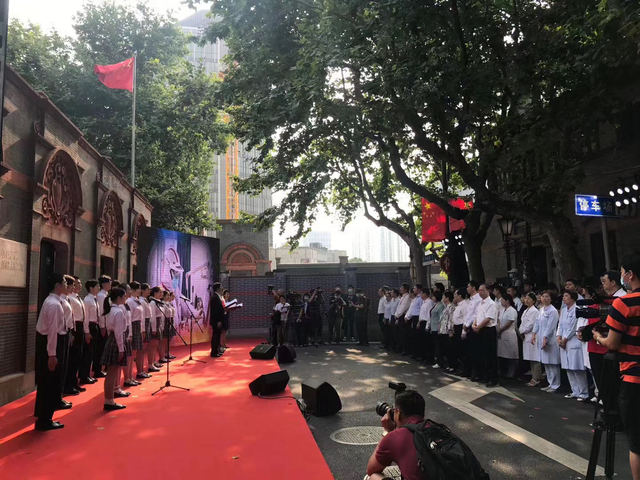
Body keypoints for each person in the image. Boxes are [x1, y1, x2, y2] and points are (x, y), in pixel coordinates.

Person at [593, 252, 640, 480]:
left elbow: (612, 343)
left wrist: (598, 338)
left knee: (637, 443)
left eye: (621, 273)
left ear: (630, 275)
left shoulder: (624, 303)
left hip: (634, 380)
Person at [366, 390, 424, 480]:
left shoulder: (395, 436)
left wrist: (387, 432)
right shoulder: (437, 429)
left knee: (373, 477)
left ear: (398, 412)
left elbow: (371, 469)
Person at [34, 273, 67, 430]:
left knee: (46, 381)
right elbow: (53, 331)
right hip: (51, 344)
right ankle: (45, 419)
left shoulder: (52, 301)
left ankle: (43, 416)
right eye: (64, 282)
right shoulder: (54, 304)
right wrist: (52, 354)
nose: (66, 285)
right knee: (50, 382)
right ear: (57, 285)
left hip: (47, 343)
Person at [557, 290, 589, 401]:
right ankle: (575, 391)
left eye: (566, 296)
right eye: (563, 296)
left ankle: (583, 393)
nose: (564, 298)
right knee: (568, 368)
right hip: (563, 342)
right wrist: (558, 337)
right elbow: (560, 325)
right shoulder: (564, 310)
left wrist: (565, 339)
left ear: (572, 298)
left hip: (573, 341)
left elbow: (573, 327)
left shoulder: (577, 309)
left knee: (577, 369)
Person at [101, 287, 128, 411]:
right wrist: (121, 348)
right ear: (118, 298)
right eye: (124, 296)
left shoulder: (111, 310)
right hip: (116, 341)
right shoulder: (118, 311)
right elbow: (118, 332)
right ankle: (109, 400)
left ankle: (109, 399)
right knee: (112, 373)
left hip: (111, 340)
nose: (125, 298)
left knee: (111, 373)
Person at [533, 291, 561, 393]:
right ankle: (550, 383)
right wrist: (534, 333)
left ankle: (555, 385)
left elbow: (550, 326)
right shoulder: (541, 309)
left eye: (547, 296)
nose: (544, 298)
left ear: (551, 298)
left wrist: (545, 337)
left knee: (552, 363)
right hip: (541, 338)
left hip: (550, 339)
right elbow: (537, 322)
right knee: (546, 363)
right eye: (543, 296)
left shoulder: (553, 311)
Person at [472, 284, 499, 387]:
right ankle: (485, 376)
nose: (480, 292)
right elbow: (477, 316)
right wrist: (474, 324)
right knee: (482, 354)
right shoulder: (480, 303)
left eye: (482, 290)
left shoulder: (491, 303)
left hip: (488, 330)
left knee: (490, 355)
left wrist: (478, 327)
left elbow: (488, 318)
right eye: (479, 290)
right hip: (480, 329)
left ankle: (493, 379)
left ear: (487, 291)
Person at [65, 276, 87, 395]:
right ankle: (69, 384)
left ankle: (74, 382)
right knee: (73, 358)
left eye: (78, 283)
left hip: (80, 326)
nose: (78, 285)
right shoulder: (69, 298)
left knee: (78, 356)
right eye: (76, 283)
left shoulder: (78, 298)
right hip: (74, 327)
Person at [519, 292, 543, 386]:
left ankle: (536, 378)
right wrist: (521, 331)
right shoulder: (526, 310)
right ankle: (534, 377)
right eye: (526, 298)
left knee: (535, 358)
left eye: (529, 299)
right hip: (526, 336)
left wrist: (522, 331)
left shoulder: (535, 311)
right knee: (530, 358)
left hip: (532, 336)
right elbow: (522, 323)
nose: (526, 300)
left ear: (533, 301)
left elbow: (531, 324)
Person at [79, 279, 99, 385]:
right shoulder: (87, 300)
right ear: (91, 288)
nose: (98, 288)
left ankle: (87, 374)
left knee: (91, 352)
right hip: (89, 326)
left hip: (94, 325)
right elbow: (86, 317)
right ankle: (83, 376)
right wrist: (87, 332)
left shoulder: (94, 299)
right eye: (97, 286)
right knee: (87, 352)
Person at [125, 282, 145, 386]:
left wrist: (142, 329)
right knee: (130, 355)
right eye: (138, 289)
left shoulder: (137, 300)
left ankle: (131, 376)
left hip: (138, 326)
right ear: (133, 290)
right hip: (132, 327)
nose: (140, 290)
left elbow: (141, 317)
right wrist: (131, 333)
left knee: (134, 354)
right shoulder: (129, 301)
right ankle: (127, 378)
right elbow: (129, 318)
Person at [497, 294, 519, 379]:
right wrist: (499, 329)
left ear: (507, 301)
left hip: (509, 333)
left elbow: (509, 322)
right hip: (502, 334)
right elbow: (499, 320)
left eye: (502, 300)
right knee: (502, 354)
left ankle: (512, 372)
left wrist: (500, 330)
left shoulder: (512, 310)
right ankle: (503, 371)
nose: (501, 302)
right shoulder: (502, 310)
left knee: (511, 354)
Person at [94, 275, 112, 378]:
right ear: (103, 284)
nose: (110, 284)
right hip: (103, 325)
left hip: (107, 324)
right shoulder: (101, 296)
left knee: (103, 347)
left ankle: (101, 368)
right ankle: (98, 369)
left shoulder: (106, 294)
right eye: (109, 282)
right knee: (100, 348)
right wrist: (102, 326)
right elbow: (101, 312)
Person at [448, 288, 468, 373]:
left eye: (455, 295)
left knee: (462, 350)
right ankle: (458, 368)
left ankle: (465, 369)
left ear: (460, 296)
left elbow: (465, 319)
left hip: (461, 328)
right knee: (456, 349)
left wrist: (463, 332)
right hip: (456, 328)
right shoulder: (458, 305)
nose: (454, 296)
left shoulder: (464, 305)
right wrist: (452, 329)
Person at [429, 291, 445, 368]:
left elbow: (441, 318)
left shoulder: (441, 306)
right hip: (433, 327)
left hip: (437, 328)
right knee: (435, 345)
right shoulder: (435, 305)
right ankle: (437, 360)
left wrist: (439, 327)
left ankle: (439, 362)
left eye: (433, 296)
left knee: (438, 346)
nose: (432, 297)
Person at [209, 282, 225, 357]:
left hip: (218, 320)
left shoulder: (218, 297)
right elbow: (215, 311)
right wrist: (218, 321)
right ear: (218, 288)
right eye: (221, 287)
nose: (222, 288)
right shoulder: (215, 298)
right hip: (216, 321)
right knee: (215, 336)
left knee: (218, 335)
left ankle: (217, 350)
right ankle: (214, 352)